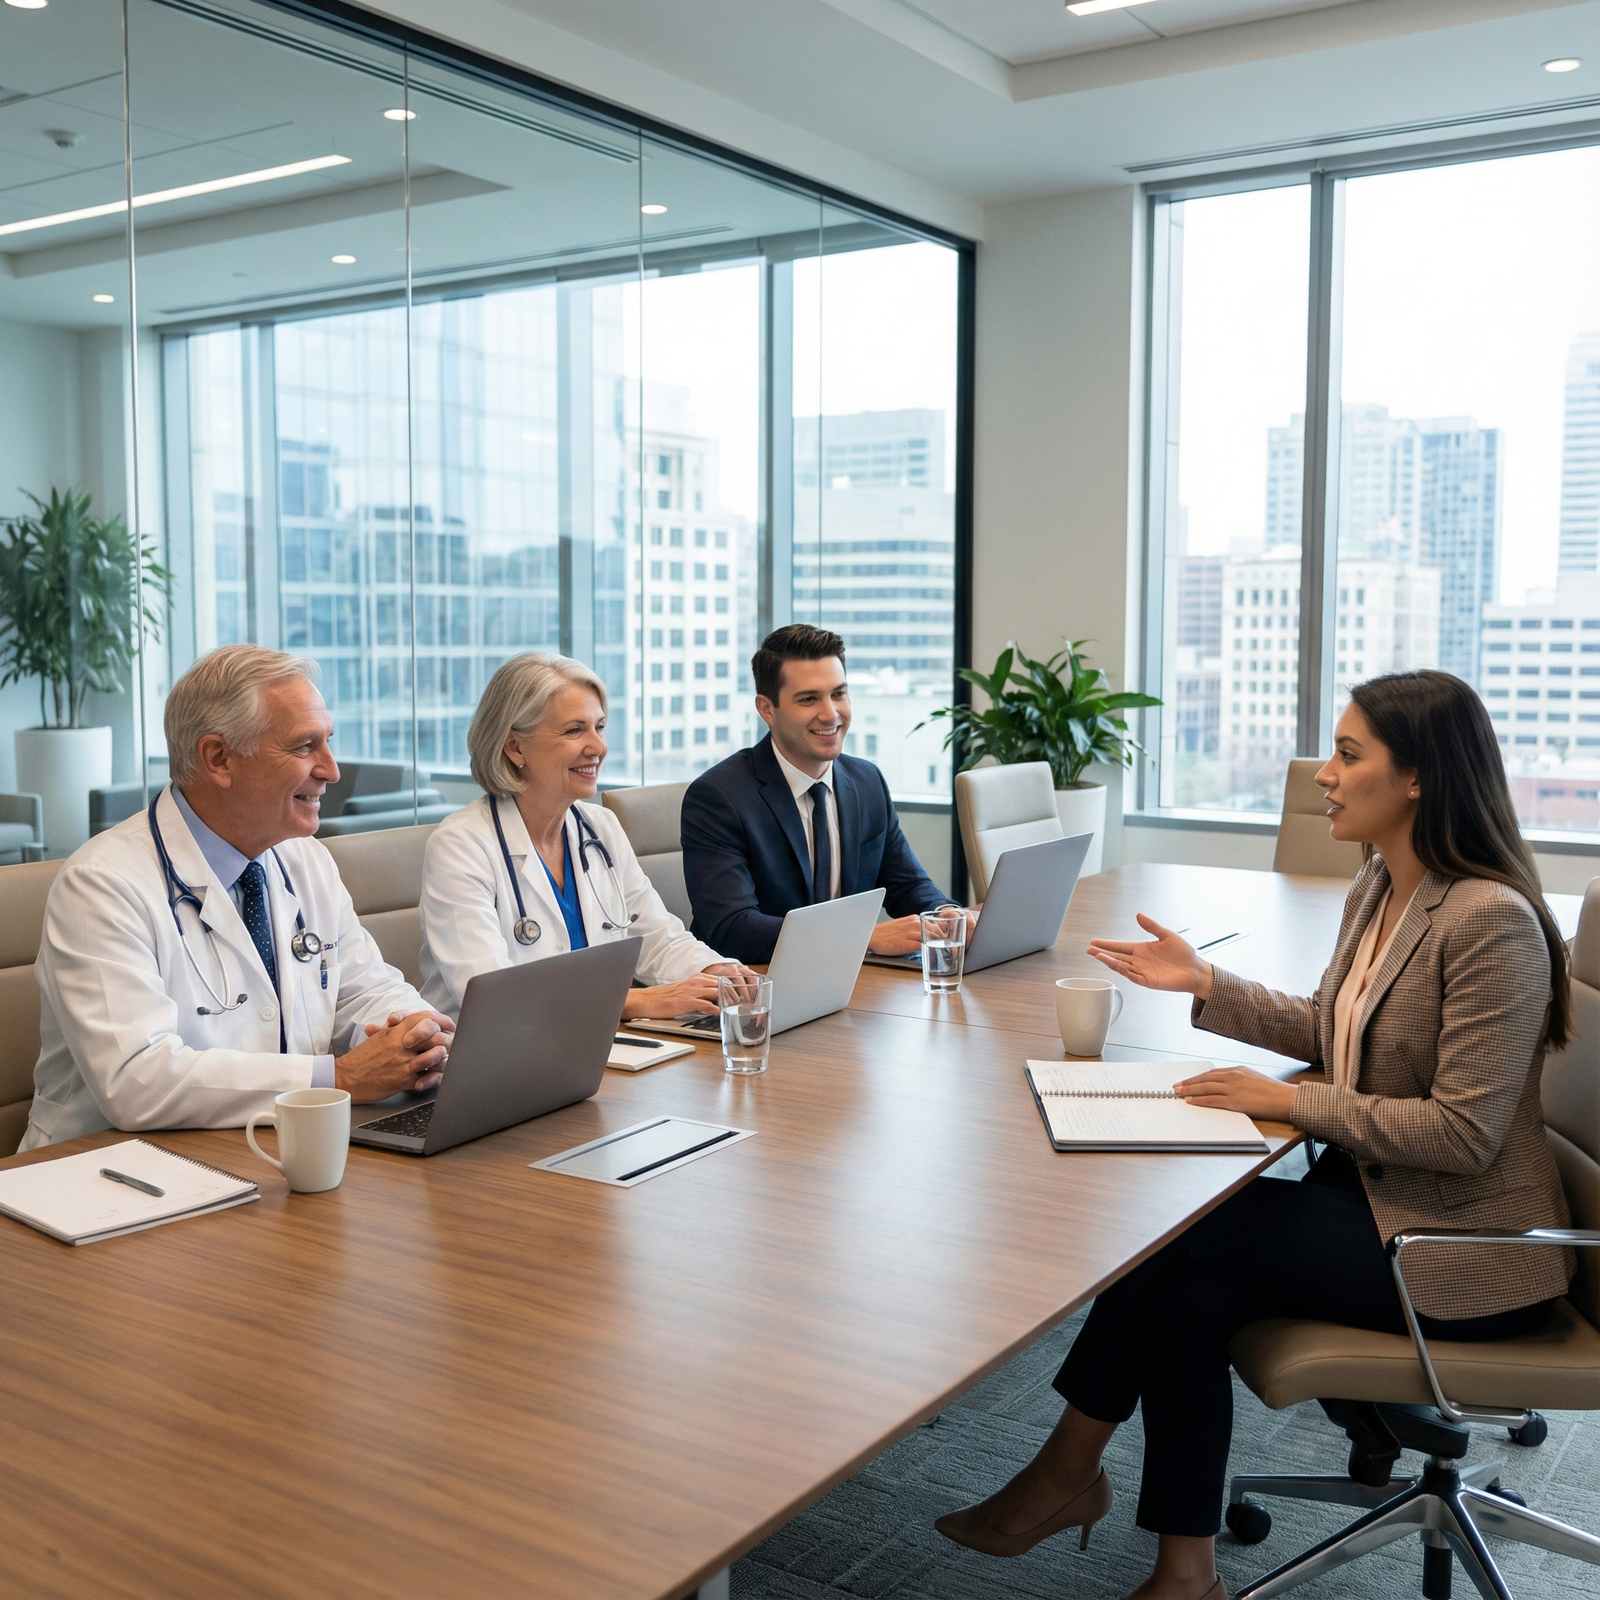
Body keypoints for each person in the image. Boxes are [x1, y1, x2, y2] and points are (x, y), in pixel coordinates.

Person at [934, 669, 1574, 1600]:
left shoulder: (1489, 920)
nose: (1324, 772)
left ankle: (1067, 1469)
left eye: (1349, 754)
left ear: (1419, 778)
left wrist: (1287, 1105)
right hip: (1375, 1199)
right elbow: (1333, 1027)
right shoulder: (1384, 885)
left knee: (1173, 1239)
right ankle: (1180, 1568)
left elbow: (1463, 1135)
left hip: (1464, 1251)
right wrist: (1204, 985)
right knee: (1187, 1287)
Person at [24, 647, 454, 1150]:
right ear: (218, 758)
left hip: (269, 1153)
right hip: (107, 1176)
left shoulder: (303, 859)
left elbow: (363, 990)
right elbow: (137, 1080)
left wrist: (413, 1033)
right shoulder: (101, 884)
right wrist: (339, 1078)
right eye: (304, 747)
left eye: (328, 743)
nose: (331, 769)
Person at [419, 652, 751, 1022]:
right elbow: (493, 996)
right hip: (488, 1064)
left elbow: (657, 939)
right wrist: (637, 1003)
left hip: (591, 1046)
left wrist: (716, 973)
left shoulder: (600, 828)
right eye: (575, 730)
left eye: (600, 727)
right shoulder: (461, 845)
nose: (598, 747)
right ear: (514, 746)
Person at [681, 623, 960, 965]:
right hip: (759, 988)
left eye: (839, 694)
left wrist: (945, 915)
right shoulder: (719, 797)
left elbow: (908, 885)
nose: (831, 714)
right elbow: (733, 929)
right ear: (767, 709)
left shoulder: (867, 781)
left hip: (851, 985)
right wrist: (861, 937)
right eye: (809, 699)